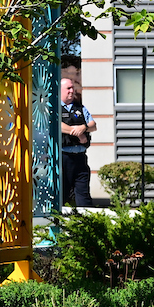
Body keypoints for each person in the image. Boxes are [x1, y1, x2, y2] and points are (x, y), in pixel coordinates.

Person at [58, 71, 94, 210]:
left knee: (83, 193)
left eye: (73, 88)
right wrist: (79, 134)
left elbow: (93, 125)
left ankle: (87, 222)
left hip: (80, 157)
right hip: (64, 157)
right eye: (68, 88)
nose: (72, 91)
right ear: (60, 90)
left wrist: (83, 128)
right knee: (64, 192)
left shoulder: (80, 107)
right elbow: (58, 125)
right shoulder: (55, 107)